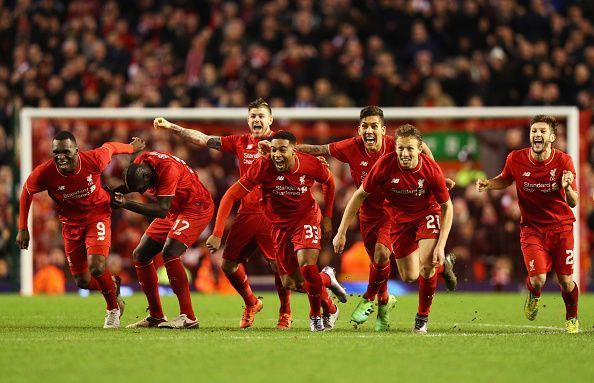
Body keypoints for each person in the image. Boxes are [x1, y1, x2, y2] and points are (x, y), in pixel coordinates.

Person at [263, 106, 456, 331]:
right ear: (359, 130)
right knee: (407, 274)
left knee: (385, 254)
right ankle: (387, 299)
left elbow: (422, 150)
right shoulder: (354, 148)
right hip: (369, 214)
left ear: (383, 130)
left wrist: (438, 179)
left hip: (393, 211)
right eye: (365, 126)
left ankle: (371, 299)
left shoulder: (398, 146)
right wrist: (289, 150)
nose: (369, 130)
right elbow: (320, 150)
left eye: (374, 126)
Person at [153, 98, 294, 329]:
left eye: (261, 116)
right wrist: (172, 127)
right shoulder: (240, 141)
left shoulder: (281, 142)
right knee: (227, 265)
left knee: (278, 266)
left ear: (270, 119)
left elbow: (297, 161)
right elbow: (204, 139)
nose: (256, 119)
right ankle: (251, 302)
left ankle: (285, 312)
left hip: (274, 213)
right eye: (253, 116)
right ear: (248, 121)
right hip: (247, 213)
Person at [206, 131, 348, 332]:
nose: (277, 155)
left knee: (307, 265)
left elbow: (330, 182)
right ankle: (328, 287)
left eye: (283, 149)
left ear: (294, 150)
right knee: (291, 282)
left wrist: (327, 216)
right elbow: (231, 195)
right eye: (273, 150)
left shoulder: (310, 163)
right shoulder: (262, 166)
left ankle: (315, 317)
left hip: (306, 217)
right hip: (279, 226)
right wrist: (218, 232)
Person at [17, 131, 145, 328]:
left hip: (98, 215)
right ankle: (113, 285)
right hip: (70, 225)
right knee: (83, 281)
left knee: (96, 266)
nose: (60, 157)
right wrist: (23, 228)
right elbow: (27, 191)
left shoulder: (93, 160)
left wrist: (130, 148)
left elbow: (109, 147)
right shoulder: (46, 172)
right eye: (56, 152)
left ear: (76, 151)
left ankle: (113, 309)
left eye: (66, 152)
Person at [333, 124, 453, 334]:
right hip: (399, 219)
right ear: (395, 148)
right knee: (409, 276)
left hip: (427, 213)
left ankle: (421, 318)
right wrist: (341, 231)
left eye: (410, 149)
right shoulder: (384, 165)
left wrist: (440, 246)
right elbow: (359, 195)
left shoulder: (430, 169)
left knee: (427, 264)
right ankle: (444, 266)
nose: (405, 154)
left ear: (419, 149)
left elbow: (447, 207)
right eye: (400, 148)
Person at [476, 115, 580, 333]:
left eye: (542, 131)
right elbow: (506, 178)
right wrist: (488, 184)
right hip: (532, 228)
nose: (537, 135)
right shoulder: (516, 158)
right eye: (534, 131)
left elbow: (573, 202)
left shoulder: (563, 161)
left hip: (561, 227)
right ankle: (534, 294)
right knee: (539, 278)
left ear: (552, 137)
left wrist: (567, 187)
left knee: (566, 281)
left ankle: (571, 318)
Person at [113, 150, 214, 329]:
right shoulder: (141, 165)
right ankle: (156, 316)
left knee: (170, 252)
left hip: (195, 207)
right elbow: (135, 185)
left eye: (143, 188)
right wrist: (110, 192)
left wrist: (126, 204)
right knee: (141, 254)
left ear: (147, 174)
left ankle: (189, 317)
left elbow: (161, 210)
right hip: (175, 208)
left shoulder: (168, 170)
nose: (143, 191)